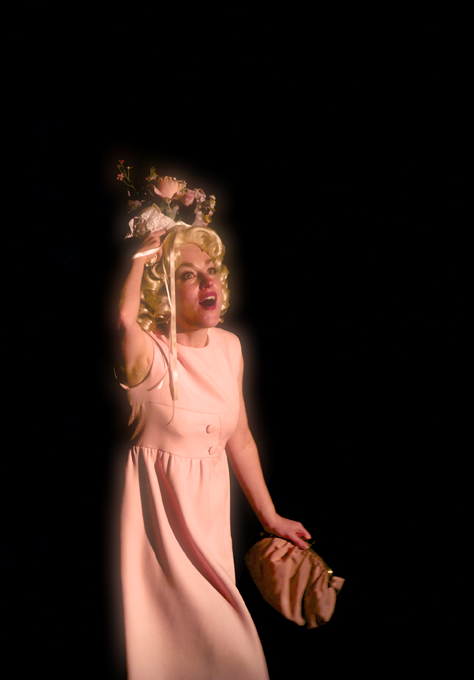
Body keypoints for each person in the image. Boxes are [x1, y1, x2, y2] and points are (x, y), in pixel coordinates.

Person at [116, 176, 309, 679]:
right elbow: (123, 320)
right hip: (159, 548)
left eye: (211, 271)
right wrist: (142, 251)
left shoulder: (229, 348)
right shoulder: (147, 354)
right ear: (162, 288)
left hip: (211, 541)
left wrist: (270, 517)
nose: (208, 283)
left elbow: (239, 438)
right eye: (187, 275)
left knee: (238, 661)